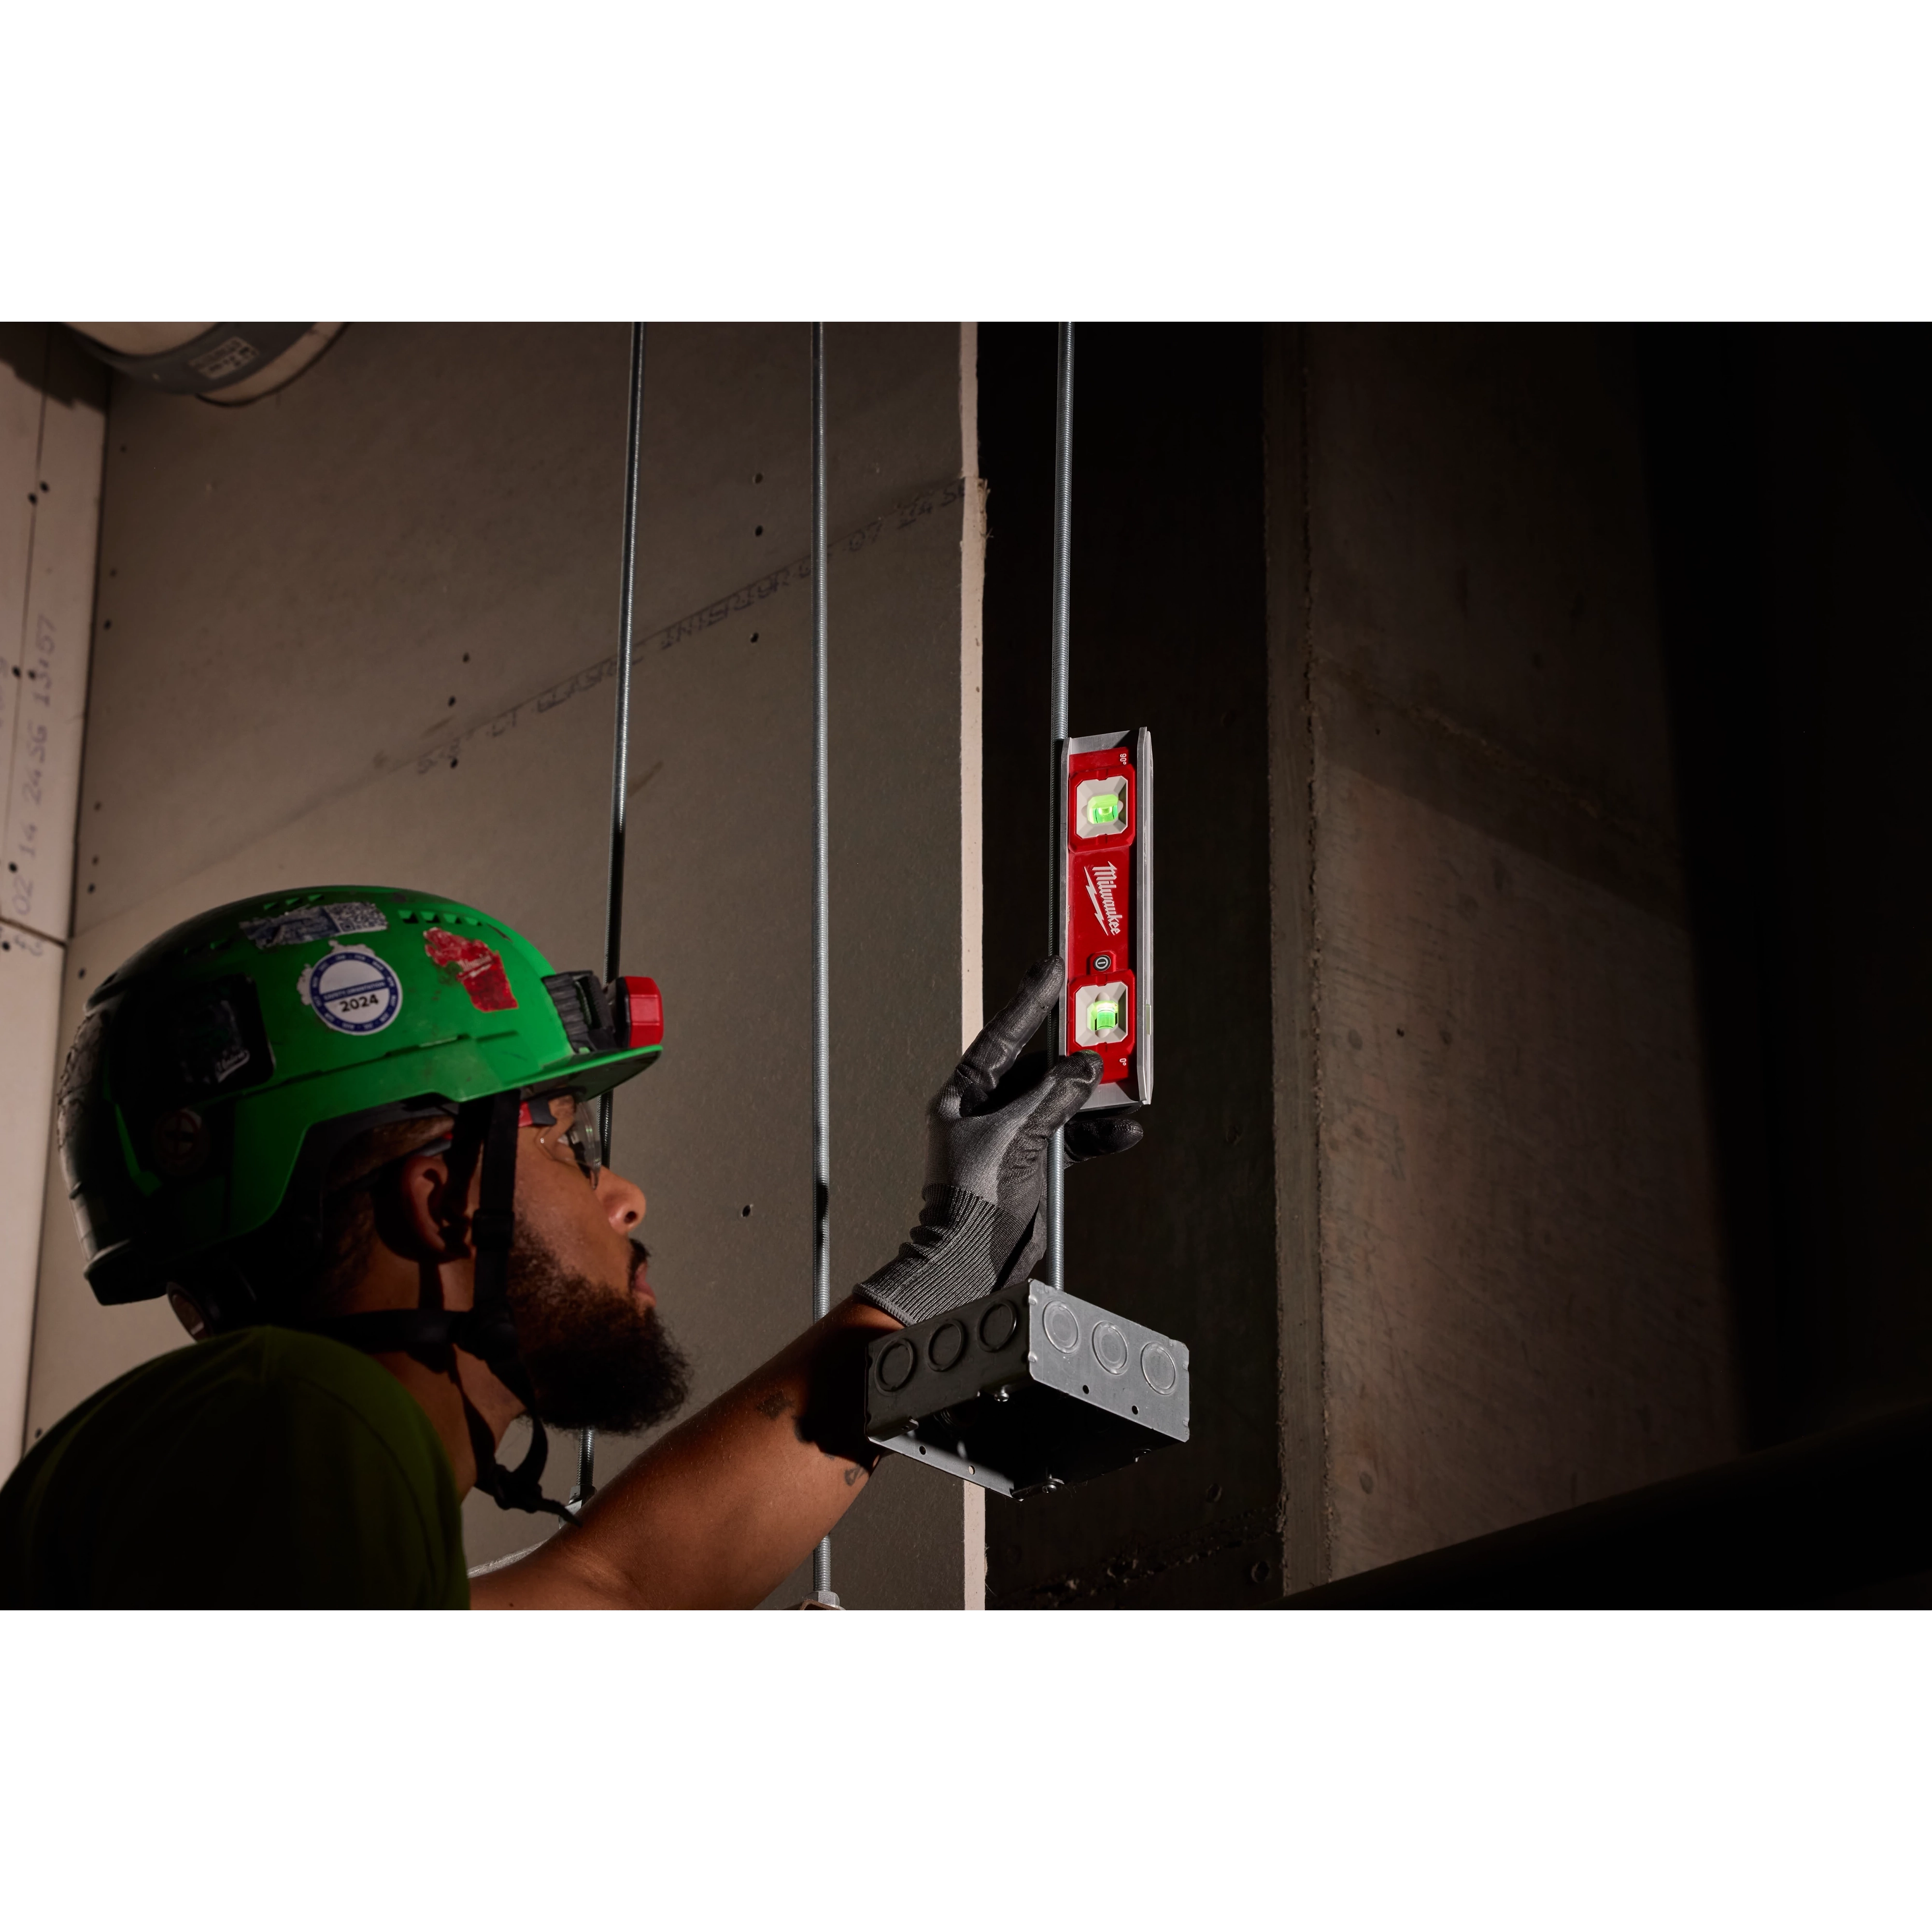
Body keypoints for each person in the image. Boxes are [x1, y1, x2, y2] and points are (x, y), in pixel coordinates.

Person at [0, 886, 1137, 1609]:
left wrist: (942, 1264)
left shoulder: (270, 1457)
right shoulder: (299, 1423)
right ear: (439, 1201)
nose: (625, 1195)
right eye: (564, 1142)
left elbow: (618, 1584)